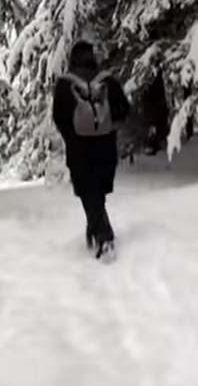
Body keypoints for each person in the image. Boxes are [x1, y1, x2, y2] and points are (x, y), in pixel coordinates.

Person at [51, 41, 130, 259]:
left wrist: (72, 136)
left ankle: (105, 238)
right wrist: (109, 128)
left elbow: (59, 117)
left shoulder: (65, 85)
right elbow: (123, 109)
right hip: (106, 148)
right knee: (97, 192)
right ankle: (95, 228)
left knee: (89, 192)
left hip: (79, 150)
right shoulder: (107, 81)